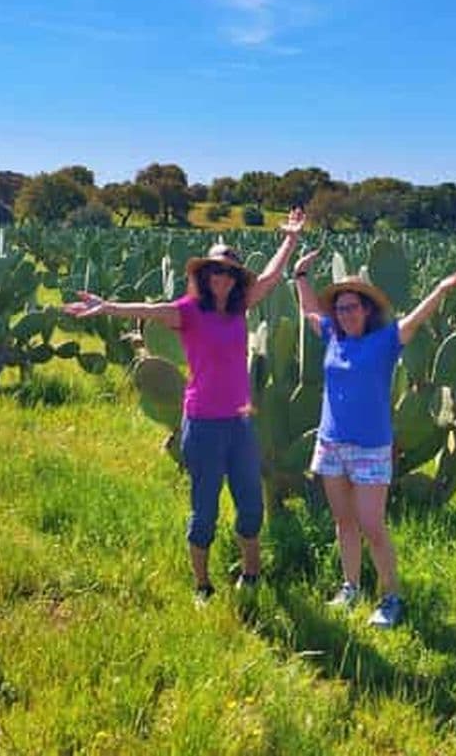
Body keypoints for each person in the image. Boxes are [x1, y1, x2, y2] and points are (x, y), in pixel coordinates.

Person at [63, 209, 305, 602]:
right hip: (203, 424)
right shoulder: (188, 311)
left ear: (236, 278)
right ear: (204, 276)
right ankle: (202, 585)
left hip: (241, 424)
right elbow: (148, 310)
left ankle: (252, 573)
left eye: (228, 272)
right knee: (204, 509)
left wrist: (290, 239)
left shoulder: (241, 305)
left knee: (248, 503)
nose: (222, 277)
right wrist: (106, 307)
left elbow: (272, 278)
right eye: (215, 271)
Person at [293, 249, 456, 628]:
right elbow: (310, 313)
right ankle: (351, 586)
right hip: (330, 444)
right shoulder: (331, 334)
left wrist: (441, 290)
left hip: (371, 448)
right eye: (341, 308)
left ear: (366, 311)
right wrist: (301, 277)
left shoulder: (385, 341)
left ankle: (391, 597)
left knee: (372, 524)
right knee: (343, 522)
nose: (346, 314)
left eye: (352, 308)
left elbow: (415, 319)